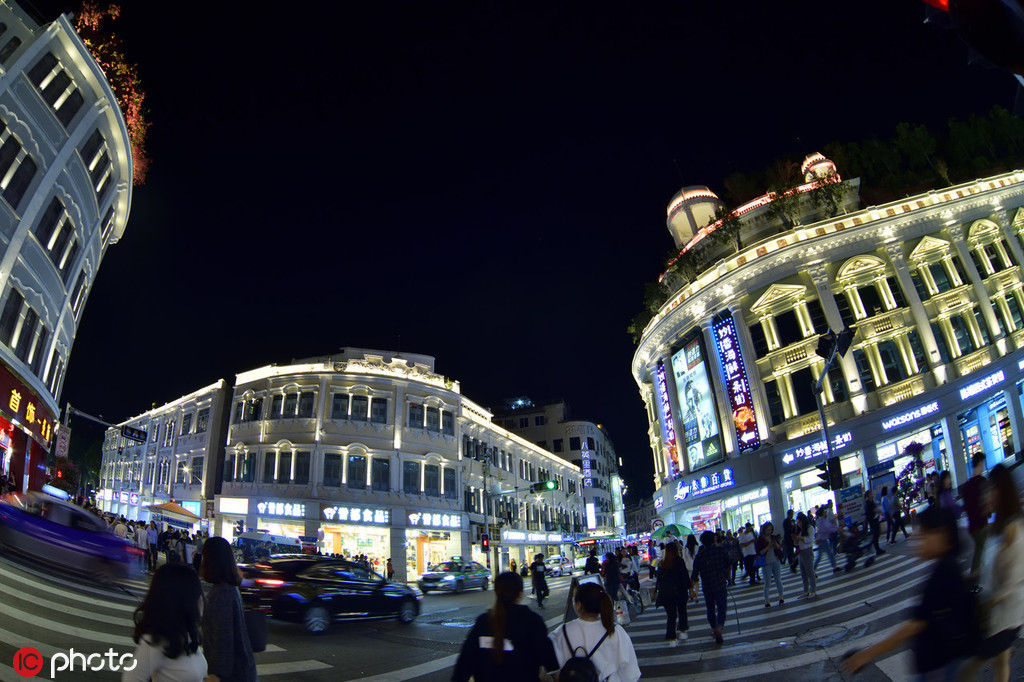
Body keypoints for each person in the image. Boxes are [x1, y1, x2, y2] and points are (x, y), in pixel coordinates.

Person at [842, 506, 979, 679]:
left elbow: (913, 626)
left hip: (937, 666)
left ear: (943, 535)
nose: (917, 537)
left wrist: (866, 655)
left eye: (924, 533)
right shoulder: (946, 567)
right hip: (940, 662)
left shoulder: (944, 572)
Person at [959, 463, 1024, 682]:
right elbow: (991, 564)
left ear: (1001, 492)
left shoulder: (1013, 529)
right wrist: (974, 576)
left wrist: (986, 602)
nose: (985, 497)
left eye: (990, 490)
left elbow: (1013, 579)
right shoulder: (1000, 524)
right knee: (1001, 661)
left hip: (1003, 618)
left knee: (966, 670)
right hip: (1002, 615)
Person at [452, 571, 559, 682]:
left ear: (496, 592)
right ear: (520, 593)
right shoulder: (532, 620)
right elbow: (549, 659)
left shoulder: (484, 621)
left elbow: (465, 662)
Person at [123, 563, 207, 682]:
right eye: (197, 595)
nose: (202, 599)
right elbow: (131, 679)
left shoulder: (186, 632)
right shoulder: (155, 642)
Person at [550, 582, 641, 682]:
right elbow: (631, 674)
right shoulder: (615, 631)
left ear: (578, 605)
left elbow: (550, 666)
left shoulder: (561, 632)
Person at [199, 537, 257, 682]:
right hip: (241, 670)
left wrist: (216, 675)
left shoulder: (222, 593)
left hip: (232, 675)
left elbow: (223, 637)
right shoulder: (229, 588)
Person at [689, 530, 730, 645]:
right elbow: (729, 564)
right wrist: (728, 575)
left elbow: (695, 574)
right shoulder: (721, 551)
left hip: (707, 586)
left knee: (710, 609)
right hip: (720, 583)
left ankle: (714, 627)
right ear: (714, 539)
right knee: (722, 607)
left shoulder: (700, 556)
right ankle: (719, 627)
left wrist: (691, 589)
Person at [655, 542, 691, 646]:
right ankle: (683, 631)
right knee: (682, 611)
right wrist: (690, 588)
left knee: (671, 616)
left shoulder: (662, 563)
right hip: (679, 591)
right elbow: (684, 576)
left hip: (666, 594)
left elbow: (659, 580)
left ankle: (672, 638)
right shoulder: (679, 561)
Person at [961, 452, 989, 581]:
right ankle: (973, 578)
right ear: (981, 463)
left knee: (980, 551)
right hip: (981, 524)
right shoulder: (982, 482)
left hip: (972, 526)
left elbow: (966, 507)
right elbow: (987, 502)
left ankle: (976, 576)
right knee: (979, 553)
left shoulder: (966, 486)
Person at [755, 522, 784, 607]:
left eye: (770, 530)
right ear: (764, 530)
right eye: (768, 530)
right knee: (767, 582)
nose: (769, 532)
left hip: (775, 560)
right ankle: (767, 600)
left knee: (778, 579)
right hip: (766, 563)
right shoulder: (760, 539)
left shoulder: (773, 537)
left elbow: (779, 547)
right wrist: (768, 546)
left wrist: (776, 544)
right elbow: (760, 552)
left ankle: (781, 597)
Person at [793, 513, 817, 598]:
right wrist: (795, 540)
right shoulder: (799, 530)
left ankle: (813, 591)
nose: (798, 524)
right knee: (803, 573)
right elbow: (796, 543)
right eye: (798, 522)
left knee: (810, 572)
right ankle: (805, 590)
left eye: (800, 522)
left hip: (807, 551)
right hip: (801, 552)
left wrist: (801, 538)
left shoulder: (810, 528)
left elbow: (810, 540)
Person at [813, 508, 839, 574]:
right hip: (822, 540)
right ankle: (813, 570)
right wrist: (837, 529)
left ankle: (834, 567)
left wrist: (836, 528)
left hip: (823, 540)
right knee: (825, 555)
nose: (825, 513)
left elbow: (829, 526)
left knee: (824, 555)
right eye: (824, 512)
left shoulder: (822, 520)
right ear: (822, 513)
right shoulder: (821, 521)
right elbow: (828, 528)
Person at [863, 490, 885, 556]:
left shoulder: (869, 502)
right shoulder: (869, 503)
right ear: (869, 495)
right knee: (876, 534)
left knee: (876, 534)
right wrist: (881, 511)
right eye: (871, 494)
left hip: (873, 520)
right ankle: (875, 548)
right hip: (873, 521)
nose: (872, 495)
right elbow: (875, 510)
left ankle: (876, 548)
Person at [782, 509, 797, 574]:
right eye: (791, 514)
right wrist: (792, 528)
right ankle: (791, 565)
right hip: (788, 539)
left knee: (791, 552)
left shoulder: (791, 521)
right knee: (789, 552)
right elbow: (787, 530)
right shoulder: (786, 521)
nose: (792, 516)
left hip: (792, 538)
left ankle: (793, 563)